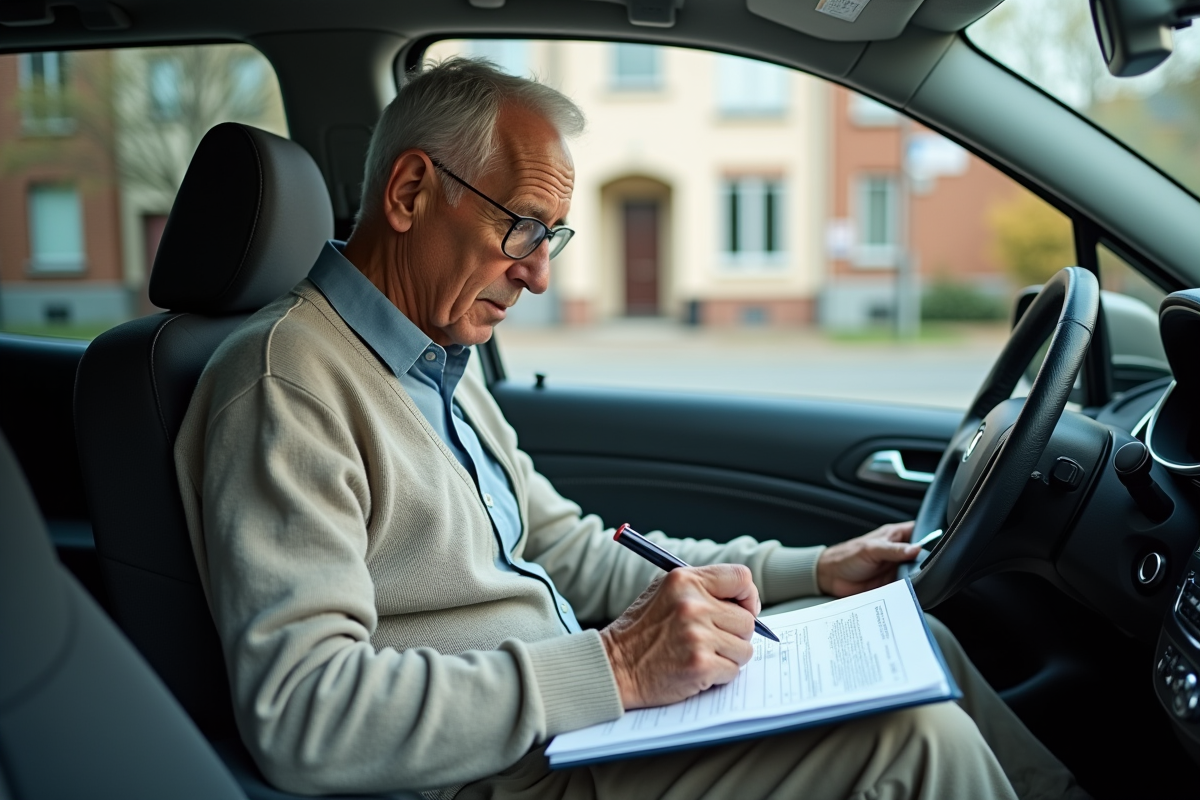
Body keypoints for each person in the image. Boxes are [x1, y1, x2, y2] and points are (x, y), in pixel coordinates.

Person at [175, 57, 1088, 800]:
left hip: (569, 729)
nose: (538, 276)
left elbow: (568, 551)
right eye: (524, 227)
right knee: (915, 741)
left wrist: (812, 570)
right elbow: (303, 714)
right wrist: (611, 667)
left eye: (553, 239)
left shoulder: (432, 357)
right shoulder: (284, 384)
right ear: (412, 192)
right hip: (500, 774)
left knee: (909, 639)